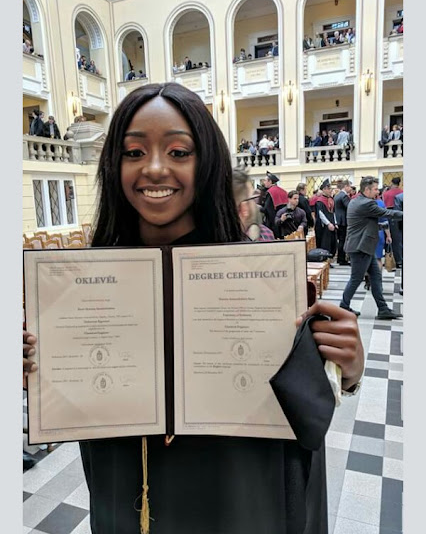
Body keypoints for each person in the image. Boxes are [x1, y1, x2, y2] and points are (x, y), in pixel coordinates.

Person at [24, 82, 364, 534]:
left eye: (179, 151)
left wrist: (346, 369)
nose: (155, 168)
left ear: (206, 163)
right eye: (133, 152)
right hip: (128, 491)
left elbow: (299, 414)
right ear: (114, 166)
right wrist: (34, 361)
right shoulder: (85, 283)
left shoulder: (257, 278)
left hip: (235, 495)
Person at [340, 176, 403, 319]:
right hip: (360, 247)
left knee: (376, 277)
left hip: (362, 246)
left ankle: (383, 309)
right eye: (375, 189)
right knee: (356, 279)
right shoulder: (366, 204)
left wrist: (379, 226)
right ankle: (343, 307)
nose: (377, 192)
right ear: (367, 189)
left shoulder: (356, 200)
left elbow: (365, 223)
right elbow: (388, 213)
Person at [232, 168, 275, 241]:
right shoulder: (265, 235)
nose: (264, 182)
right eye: (252, 198)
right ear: (244, 208)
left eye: (265, 180)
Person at [261, 172, 288, 236]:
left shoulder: (270, 192)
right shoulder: (283, 191)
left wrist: (257, 208)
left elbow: (267, 209)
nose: (264, 182)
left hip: (273, 224)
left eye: (265, 180)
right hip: (284, 223)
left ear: (270, 181)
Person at [383, 177, 403, 267]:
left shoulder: (386, 193)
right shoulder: (402, 193)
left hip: (389, 216)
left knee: (392, 239)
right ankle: (400, 259)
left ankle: (394, 259)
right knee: (399, 239)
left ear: (391, 182)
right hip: (400, 216)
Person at [314, 180, 337, 257]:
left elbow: (333, 212)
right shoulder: (320, 201)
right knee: (325, 243)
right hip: (323, 226)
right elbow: (321, 214)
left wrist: (335, 222)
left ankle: (330, 258)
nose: (330, 190)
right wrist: (328, 223)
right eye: (328, 188)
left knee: (332, 242)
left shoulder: (331, 199)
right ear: (324, 189)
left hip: (331, 224)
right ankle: (324, 258)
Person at [334, 180, 352, 265]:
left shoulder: (337, 195)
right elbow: (349, 207)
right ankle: (341, 259)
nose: (351, 188)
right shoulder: (344, 196)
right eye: (350, 186)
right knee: (343, 240)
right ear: (346, 186)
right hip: (343, 220)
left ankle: (340, 258)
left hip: (338, 220)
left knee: (341, 239)